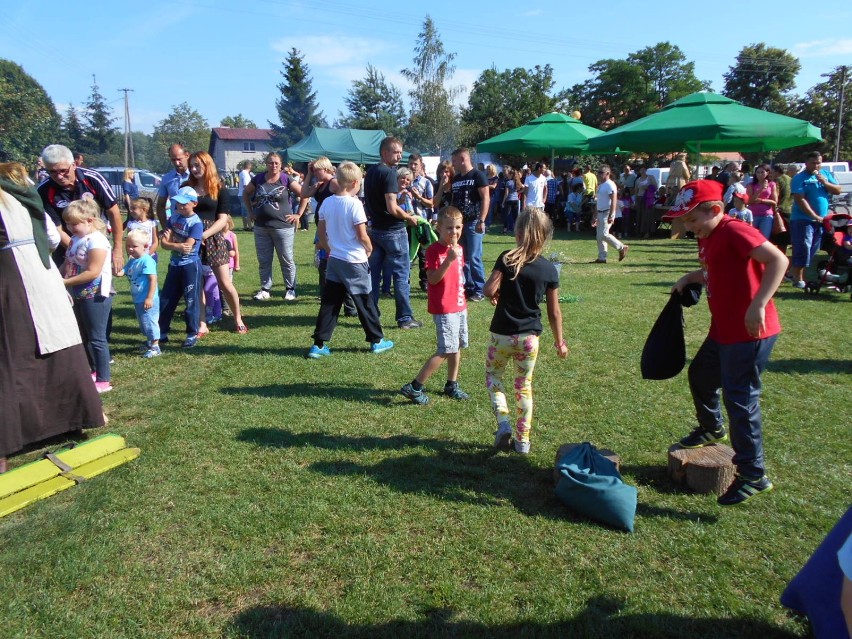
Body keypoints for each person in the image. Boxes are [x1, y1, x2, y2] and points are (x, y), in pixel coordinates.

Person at [664, 179, 786, 505]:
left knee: (740, 399)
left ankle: (753, 474)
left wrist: (758, 303)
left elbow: (778, 261)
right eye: (685, 221)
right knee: (701, 375)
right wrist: (691, 277)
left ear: (716, 210)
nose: (689, 228)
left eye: (692, 220)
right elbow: (716, 269)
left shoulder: (734, 230)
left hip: (749, 333)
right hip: (724, 329)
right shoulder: (710, 235)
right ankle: (712, 428)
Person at [0, 166, 104, 474]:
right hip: (41, 273)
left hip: (9, 280)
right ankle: (70, 421)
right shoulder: (29, 198)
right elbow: (49, 236)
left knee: (11, 355)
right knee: (56, 346)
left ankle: (11, 439)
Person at [484, 207, 568, 455]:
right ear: (543, 237)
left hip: (501, 334)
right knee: (523, 386)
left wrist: (498, 292)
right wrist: (560, 342)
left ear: (518, 233)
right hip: (529, 338)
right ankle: (523, 441)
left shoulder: (507, 258)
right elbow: (554, 312)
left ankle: (503, 423)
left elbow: (488, 290)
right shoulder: (549, 269)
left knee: (494, 378)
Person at [307, 162, 394, 358]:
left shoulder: (327, 202)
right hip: (355, 261)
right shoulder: (355, 204)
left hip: (335, 260)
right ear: (355, 182)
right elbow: (362, 235)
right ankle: (377, 341)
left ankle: (318, 345)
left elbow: (321, 232)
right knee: (365, 301)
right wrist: (369, 248)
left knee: (330, 303)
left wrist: (330, 249)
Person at [399, 206, 470, 405]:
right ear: (438, 227)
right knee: (446, 349)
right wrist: (448, 260)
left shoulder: (459, 249)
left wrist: (463, 303)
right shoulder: (433, 251)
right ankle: (414, 387)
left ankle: (451, 384)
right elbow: (433, 280)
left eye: (457, 228)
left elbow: (459, 279)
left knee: (456, 347)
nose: (453, 232)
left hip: (459, 306)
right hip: (445, 309)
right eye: (448, 228)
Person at [185, 151, 248, 334]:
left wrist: (203, 235)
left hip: (213, 239)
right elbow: (179, 211)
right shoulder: (186, 187)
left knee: (225, 283)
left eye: (198, 165)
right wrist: (192, 237)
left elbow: (222, 219)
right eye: (192, 166)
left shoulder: (219, 188)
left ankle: (238, 318)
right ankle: (202, 323)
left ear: (207, 165)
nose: (194, 169)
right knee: (197, 284)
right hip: (191, 239)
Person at [365, 136, 423, 329]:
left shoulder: (371, 171)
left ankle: (371, 315)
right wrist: (408, 217)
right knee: (401, 274)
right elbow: (391, 208)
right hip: (392, 231)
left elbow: (380, 203)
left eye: (400, 152)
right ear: (384, 152)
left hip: (375, 230)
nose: (399, 156)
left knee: (374, 275)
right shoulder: (389, 173)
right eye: (395, 152)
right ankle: (405, 318)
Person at [38, 144, 124, 274]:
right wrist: (77, 250)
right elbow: (57, 229)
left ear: (73, 165)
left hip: (97, 243)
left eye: (63, 170)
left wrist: (117, 249)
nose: (59, 176)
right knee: (66, 288)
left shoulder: (93, 178)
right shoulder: (44, 190)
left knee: (98, 287)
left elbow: (114, 212)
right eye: (52, 172)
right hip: (66, 249)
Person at [61, 200, 114, 393]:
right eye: (67, 223)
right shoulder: (75, 239)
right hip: (79, 293)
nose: (69, 227)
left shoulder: (97, 240)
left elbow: (93, 272)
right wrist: (56, 277)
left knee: (97, 338)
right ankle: (92, 370)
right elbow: (68, 263)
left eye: (74, 223)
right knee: (84, 335)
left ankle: (103, 379)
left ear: (89, 221)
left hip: (97, 294)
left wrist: (64, 283)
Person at [243, 151, 303, 302]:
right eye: (270, 162)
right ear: (266, 164)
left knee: (286, 259)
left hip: (283, 227)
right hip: (261, 227)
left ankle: (290, 289)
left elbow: (304, 194)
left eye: (276, 163)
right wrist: (250, 211)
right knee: (264, 260)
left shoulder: (285, 179)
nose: (274, 165)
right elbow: (245, 193)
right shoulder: (258, 179)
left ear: (281, 164)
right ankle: (265, 289)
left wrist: (298, 214)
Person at [434, 147, 490, 302]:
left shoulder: (478, 175)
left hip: (473, 222)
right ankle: (469, 287)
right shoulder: (457, 179)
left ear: (463, 159)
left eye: (454, 161)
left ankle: (479, 289)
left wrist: (482, 219)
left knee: (474, 256)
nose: (453, 165)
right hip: (458, 225)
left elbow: (486, 198)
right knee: (462, 256)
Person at [158, 186, 204, 349]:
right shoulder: (173, 218)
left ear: (194, 204)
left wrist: (173, 245)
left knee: (191, 300)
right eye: (178, 203)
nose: (180, 206)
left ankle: (192, 333)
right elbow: (164, 243)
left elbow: (188, 247)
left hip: (190, 266)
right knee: (167, 299)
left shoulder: (196, 223)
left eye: (184, 204)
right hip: (174, 265)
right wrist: (175, 246)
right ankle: (161, 332)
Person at [789, 151, 842, 289]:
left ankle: (793, 273)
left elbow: (837, 190)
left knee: (814, 249)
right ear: (806, 163)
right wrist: (814, 216)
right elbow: (800, 200)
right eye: (813, 163)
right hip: (802, 219)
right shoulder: (800, 178)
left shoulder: (825, 175)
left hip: (821, 220)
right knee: (803, 247)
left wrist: (825, 182)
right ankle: (797, 278)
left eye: (818, 162)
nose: (816, 165)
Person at [124, 229, 161, 358]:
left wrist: (149, 298)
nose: (130, 249)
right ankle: (150, 342)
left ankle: (155, 346)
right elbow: (123, 271)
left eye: (134, 246)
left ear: (145, 246)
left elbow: (153, 279)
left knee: (150, 321)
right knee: (143, 322)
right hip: (138, 298)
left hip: (147, 298)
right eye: (128, 245)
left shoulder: (147, 261)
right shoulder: (132, 260)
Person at [591, 165, 629, 263]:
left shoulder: (610, 185)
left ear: (607, 173)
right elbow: (598, 201)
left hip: (606, 212)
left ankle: (621, 247)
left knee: (604, 234)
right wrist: (594, 215)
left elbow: (614, 200)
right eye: (598, 172)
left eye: (601, 173)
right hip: (600, 212)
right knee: (599, 236)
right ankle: (602, 257)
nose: (599, 175)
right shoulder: (600, 185)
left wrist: (612, 215)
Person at [156, 143, 191, 229]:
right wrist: (165, 227)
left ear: (187, 155)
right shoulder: (167, 179)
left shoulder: (195, 176)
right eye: (173, 160)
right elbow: (160, 206)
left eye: (179, 159)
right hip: (176, 225)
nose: (177, 163)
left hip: (195, 225)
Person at [747, 164, 777, 239]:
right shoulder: (750, 185)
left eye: (762, 172)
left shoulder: (772, 184)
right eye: (758, 172)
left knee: (764, 238)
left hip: (766, 215)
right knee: (751, 238)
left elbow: (775, 201)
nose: (760, 174)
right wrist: (760, 189)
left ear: (767, 173)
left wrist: (761, 201)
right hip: (753, 215)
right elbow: (749, 201)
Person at [635, 166, 658, 238]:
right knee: (640, 215)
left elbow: (655, 187)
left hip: (648, 199)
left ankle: (647, 232)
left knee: (647, 215)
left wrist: (648, 188)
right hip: (640, 198)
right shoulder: (638, 180)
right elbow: (636, 191)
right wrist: (635, 200)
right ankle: (639, 232)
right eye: (641, 170)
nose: (643, 171)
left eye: (644, 169)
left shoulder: (650, 177)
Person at [502, 167, 521, 234]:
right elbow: (523, 188)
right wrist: (518, 193)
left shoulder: (508, 182)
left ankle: (505, 229)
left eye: (509, 174)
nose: (508, 175)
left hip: (509, 200)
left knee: (506, 215)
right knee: (515, 216)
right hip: (516, 200)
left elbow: (506, 193)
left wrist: (503, 202)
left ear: (511, 175)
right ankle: (516, 230)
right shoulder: (517, 182)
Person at [237, 161, 254, 231]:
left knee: (243, 211)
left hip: (240, 194)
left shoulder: (241, 173)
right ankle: (250, 227)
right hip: (245, 194)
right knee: (248, 210)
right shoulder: (246, 174)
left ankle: (245, 226)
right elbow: (246, 185)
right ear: (250, 167)